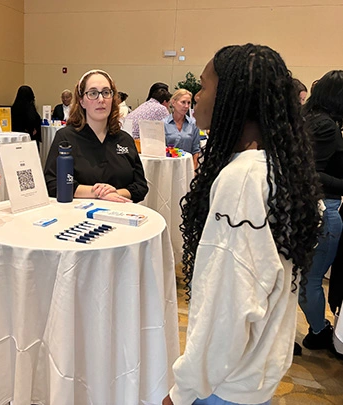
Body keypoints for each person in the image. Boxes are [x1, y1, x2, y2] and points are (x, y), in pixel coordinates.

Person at [162, 44, 321, 405]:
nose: (197, 97)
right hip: (254, 375)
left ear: (232, 97)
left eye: (204, 86)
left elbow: (229, 307)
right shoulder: (274, 167)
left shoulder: (243, 180)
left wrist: (183, 390)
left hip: (224, 385)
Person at [44, 69, 148, 203]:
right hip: (78, 216)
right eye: (93, 93)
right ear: (81, 101)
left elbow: (140, 186)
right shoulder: (65, 138)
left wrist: (114, 193)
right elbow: (52, 183)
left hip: (122, 214)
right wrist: (96, 192)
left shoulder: (125, 139)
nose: (101, 99)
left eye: (106, 93)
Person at [298, 70, 343, 354]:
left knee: (307, 279)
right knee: (311, 280)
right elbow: (312, 172)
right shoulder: (325, 125)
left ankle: (319, 330)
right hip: (325, 208)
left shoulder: (310, 119)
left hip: (316, 208)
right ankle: (319, 331)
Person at [164, 89, 201, 168]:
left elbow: (196, 149)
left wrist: (194, 170)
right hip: (168, 166)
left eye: (188, 103)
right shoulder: (164, 124)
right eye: (183, 102)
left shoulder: (193, 124)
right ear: (173, 102)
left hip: (187, 167)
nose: (186, 106)